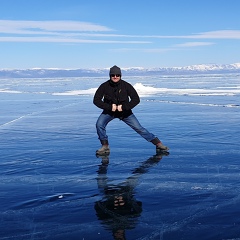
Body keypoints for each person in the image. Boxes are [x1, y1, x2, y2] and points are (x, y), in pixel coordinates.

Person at [93, 65, 169, 155]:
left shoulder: (126, 85)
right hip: (109, 112)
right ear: (110, 76)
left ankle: (158, 143)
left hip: (125, 113)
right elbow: (96, 100)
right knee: (99, 125)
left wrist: (124, 107)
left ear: (120, 76)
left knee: (139, 128)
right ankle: (105, 146)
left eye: (117, 75)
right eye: (113, 75)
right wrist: (109, 107)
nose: (115, 77)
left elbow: (136, 99)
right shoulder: (104, 86)